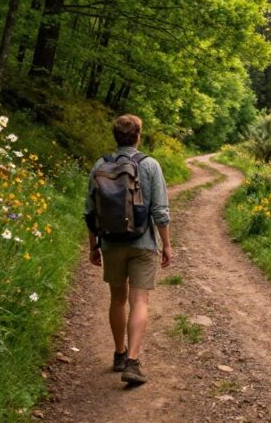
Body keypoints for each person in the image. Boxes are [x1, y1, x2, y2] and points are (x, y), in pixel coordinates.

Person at [83, 114, 172, 385]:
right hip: (143, 244)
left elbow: (89, 211)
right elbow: (160, 211)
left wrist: (94, 247)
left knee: (117, 299)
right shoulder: (150, 165)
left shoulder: (100, 165)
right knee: (140, 301)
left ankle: (119, 354)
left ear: (116, 136)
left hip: (111, 243)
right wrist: (166, 244)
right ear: (138, 136)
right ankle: (133, 362)